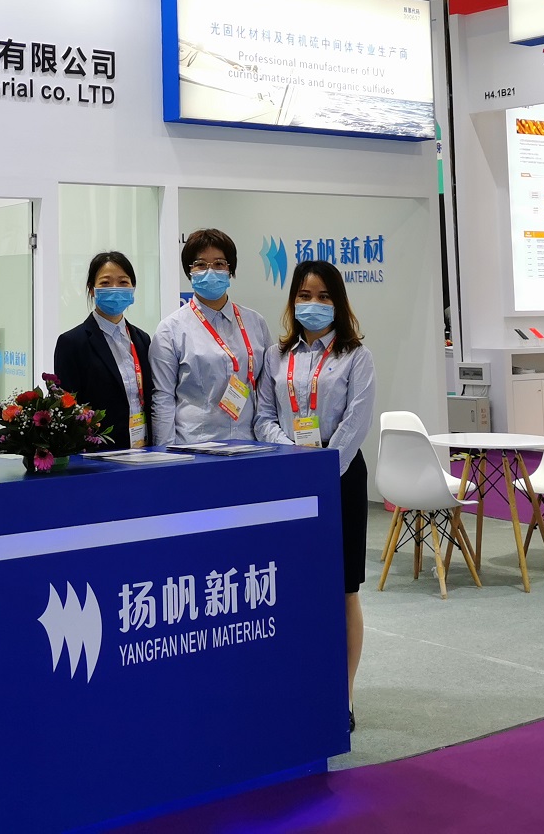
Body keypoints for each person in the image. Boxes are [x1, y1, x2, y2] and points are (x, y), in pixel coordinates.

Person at [254, 259, 375, 732]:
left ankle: (342, 696)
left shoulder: (356, 356)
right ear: (292, 301)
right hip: (289, 478)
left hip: (340, 476)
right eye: (304, 296)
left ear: (338, 302)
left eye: (323, 296)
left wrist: (322, 468)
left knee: (344, 590)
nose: (313, 304)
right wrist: (292, 457)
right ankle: (299, 686)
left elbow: (357, 420)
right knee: (294, 586)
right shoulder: (275, 356)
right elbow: (263, 417)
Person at [150, 228, 268, 445]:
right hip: (196, 445)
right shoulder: (171, 329)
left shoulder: (255, 322)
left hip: (250, 443)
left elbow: (265, 389)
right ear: (189, 271)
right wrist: (165, 453)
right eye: (201, 264)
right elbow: (163, 397)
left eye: (219, 264)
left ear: (230, 270)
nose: (210, 271)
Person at [52, 251, 154, 450]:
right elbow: (68, 409)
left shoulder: (142, 339)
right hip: (98, 453)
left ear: (132, 289)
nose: (115, 289)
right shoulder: (72, 342)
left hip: (143, 448)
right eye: (106, 283)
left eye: (123, 282)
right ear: (92, 289)